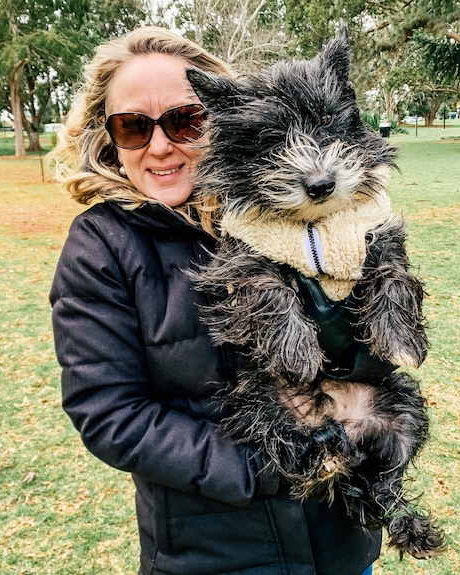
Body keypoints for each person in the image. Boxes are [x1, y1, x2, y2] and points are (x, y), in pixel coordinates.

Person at [48, 26, 381, 575]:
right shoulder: (101, 246)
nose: (160, 146)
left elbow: (380, 346)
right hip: (212, 554)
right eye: (133, 127)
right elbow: (109, 414)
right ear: (111, 140)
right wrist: (263, 466)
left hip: (338, 541)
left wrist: (350, 350)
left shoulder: (294, 209)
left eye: (185, 120)